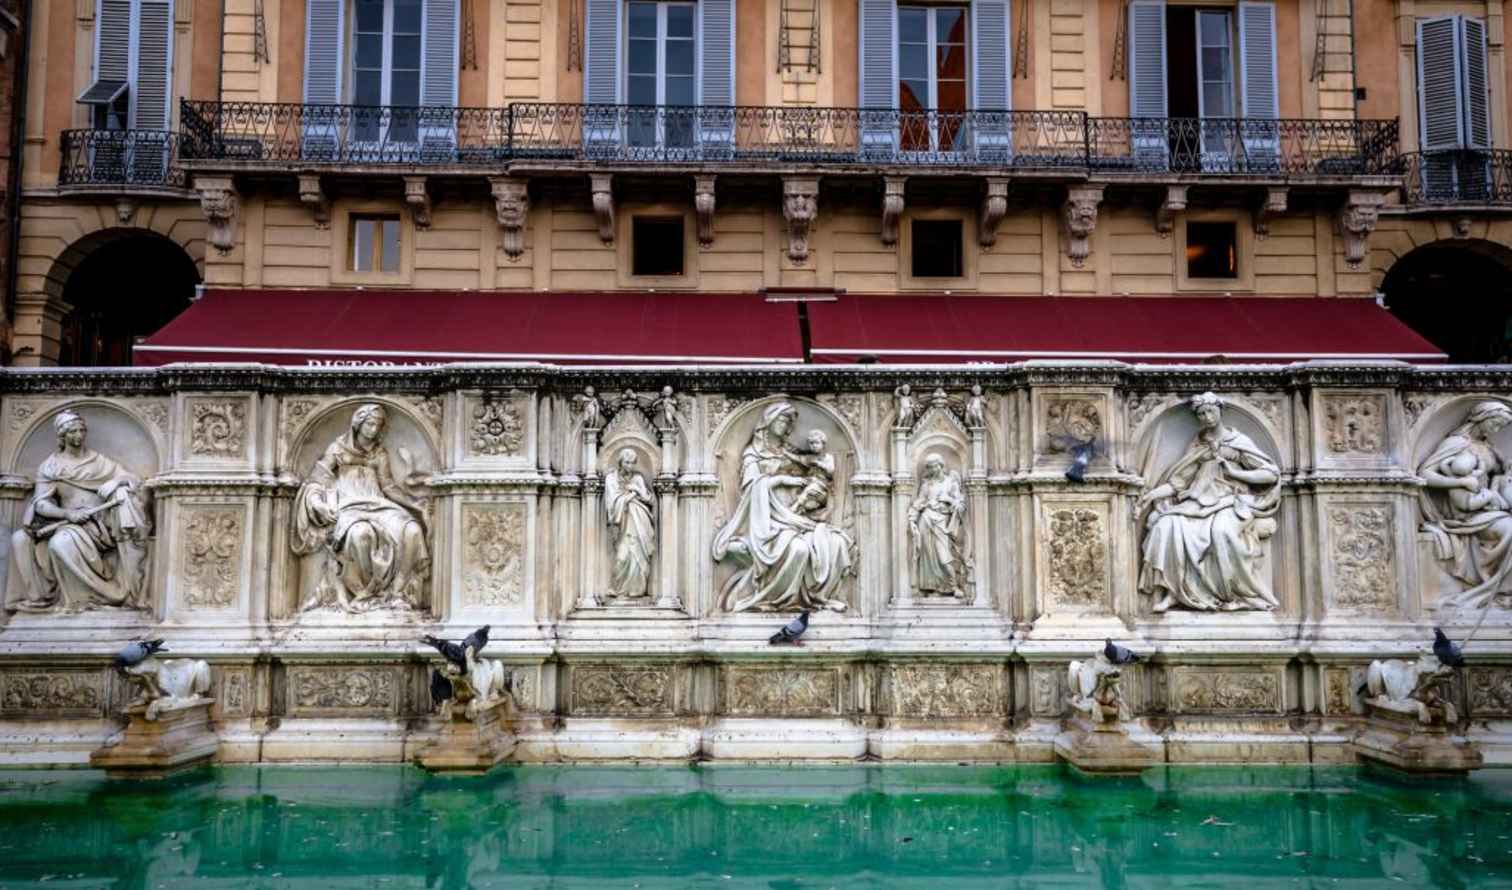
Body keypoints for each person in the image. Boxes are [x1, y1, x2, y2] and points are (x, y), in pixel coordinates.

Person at [1135, 392, 1281, 612]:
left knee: (1222, 532)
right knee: (1166, 525)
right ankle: (1174, 592)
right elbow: (1179, 482)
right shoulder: (1197, 445)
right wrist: (1151, 495)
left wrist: (1236, 473)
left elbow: (1270, 474)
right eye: (1201, 413)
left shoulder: (1238, 442)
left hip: (1230, 502)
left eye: (1210, 411)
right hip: (1197, 502)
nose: (1206, 417)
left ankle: (1234, 594)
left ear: (1220, 411)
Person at [712, 403, 852, 612]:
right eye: (781, 419)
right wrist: (783, 480)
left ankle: (817, 598)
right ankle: (778, 600)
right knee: (799, 548)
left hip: (798, 517)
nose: (785, 424)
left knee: (837, 542)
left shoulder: (791, 452)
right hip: (768, 522)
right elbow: (752, 492)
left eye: (788, 421)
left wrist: (812, 498)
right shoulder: (753, 454)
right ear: (767, 422)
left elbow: (818, 478)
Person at [292, 404, 431, 612]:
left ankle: (397, 593)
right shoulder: (337, 449)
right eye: (370, 424)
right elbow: (315, 482)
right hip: (350, 507)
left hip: (379, 504)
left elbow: (389, 487)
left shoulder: (379, 452)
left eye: (378, 425)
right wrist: (318, 505)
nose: (373, 429)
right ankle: (366, 594)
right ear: (358, 424)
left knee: (412, 530)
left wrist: (415, 504)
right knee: (360, 534)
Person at [9, 411, 152, 612]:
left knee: (60, 544)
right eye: (73, 431)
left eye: (81, 430)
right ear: (62, 436)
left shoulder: (98, 461)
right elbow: (41, 504)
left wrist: (116, 481)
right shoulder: (50, 466)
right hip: (68, 522)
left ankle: (90, 599)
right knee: (19, 539)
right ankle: (40, 597)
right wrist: (67, 514)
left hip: (99, 525)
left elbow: (132, 478)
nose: (79, 435)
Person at [1418, 400, 1512, 610]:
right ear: (1481, 418)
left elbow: (1500, 476)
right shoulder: (1457, 443)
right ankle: (1502, 592)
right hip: (1464, 511)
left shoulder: (1489, 449)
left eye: (1501, 427)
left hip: (1489, 508)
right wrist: (1459, 481)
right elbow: (1425, 474)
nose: (1496, 430)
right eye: (1495, 424)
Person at [909, 454, 967, 595]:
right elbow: (919, 502)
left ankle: (953, 586)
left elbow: (960, 504)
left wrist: (948, 499)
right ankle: (935, 587)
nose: (931, 469)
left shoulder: (950, 482)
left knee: (944, 556)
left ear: (940, 465)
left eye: (933, 466)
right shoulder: (926, 485)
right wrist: (912, 518)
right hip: (926, 519)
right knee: (928, 556)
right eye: (929, 467)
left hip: (942, 521)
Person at [604, 448, 656, 598]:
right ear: (620, 462)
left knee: (639, 556)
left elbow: (649, 499)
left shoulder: (638, 479)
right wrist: (631, 495)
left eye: (633, 463)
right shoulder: (612, 479)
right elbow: (613, 501)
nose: (630, 466)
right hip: (623, 523)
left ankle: (637, 589)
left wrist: (636, 491)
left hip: (640, 522)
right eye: (627, 462)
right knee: (622, 557)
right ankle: (618, 588)